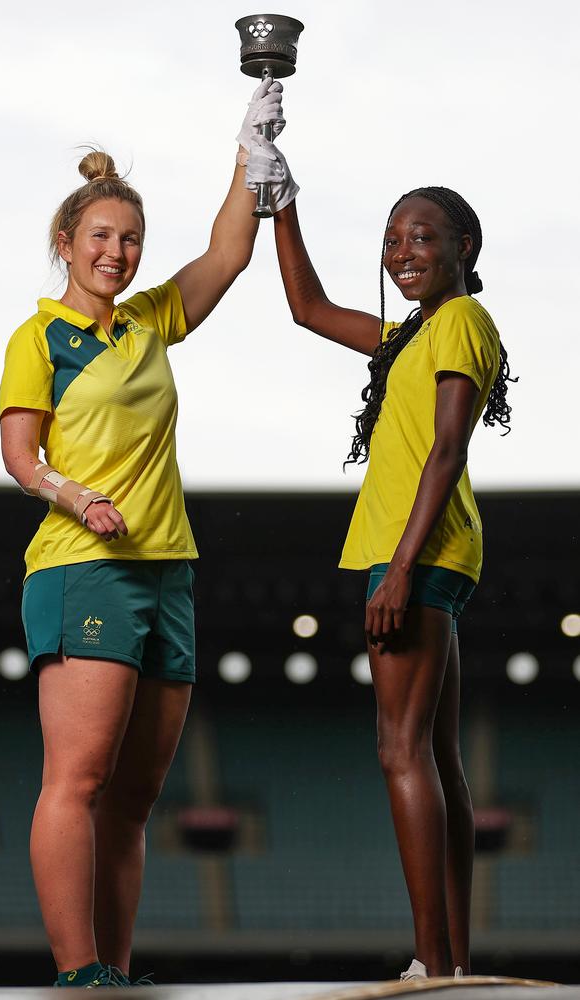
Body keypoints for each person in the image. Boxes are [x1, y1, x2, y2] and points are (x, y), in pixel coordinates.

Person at [0, 80, 285, 989]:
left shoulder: (151, 322)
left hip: (168, 571)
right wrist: (73, 495)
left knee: (133, 802)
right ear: (66, 245)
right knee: (76, 783)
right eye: (100, 238)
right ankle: (76, 972)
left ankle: (115, 971)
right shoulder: (39, 337)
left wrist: (255, 150)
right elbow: (18, 455)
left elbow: (229, 254)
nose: (116, 253)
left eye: (129, 240)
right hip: (83, 567)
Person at [245, 136, 515, 979]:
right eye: (393, 239)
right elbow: (308, 306)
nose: (403, 252)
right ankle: (453, 962)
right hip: (424, 551)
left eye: (421, 236)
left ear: (463, 248)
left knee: (400, 750)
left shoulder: (463, 320)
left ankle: (432, 964)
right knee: (436, 759)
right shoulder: (410, 337)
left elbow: (446, 451)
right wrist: (278, 199)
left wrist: (399, 568)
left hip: (418, 552)